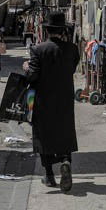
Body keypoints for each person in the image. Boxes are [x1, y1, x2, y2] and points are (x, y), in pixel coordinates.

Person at [24, 12, 80, 191]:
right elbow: (71, 69)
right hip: (64, 99)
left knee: (44, 136)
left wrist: (26, 67)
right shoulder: (72, 49)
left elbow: (32, 76)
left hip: (43, 100)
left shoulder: (38, 50)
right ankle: (65, 161)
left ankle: (48, 175)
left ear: (46, 30)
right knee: (64, 132)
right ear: (62, 30)